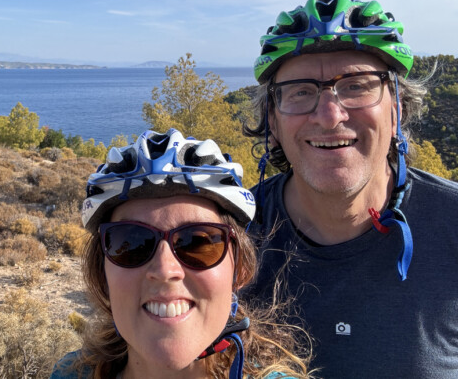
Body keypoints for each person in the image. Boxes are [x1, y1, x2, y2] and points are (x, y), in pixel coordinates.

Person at [242, 0, 458, 378]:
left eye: (357, 86)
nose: (330, 116)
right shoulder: (222, 241)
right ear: (273, 123)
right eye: (300, 91)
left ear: (396, 111)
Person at [50, 129, 311, 379]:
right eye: (131, 244)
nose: (165, 270)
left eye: (197, 243)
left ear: (240, 268)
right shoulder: (69, 374)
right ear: (102, 273)